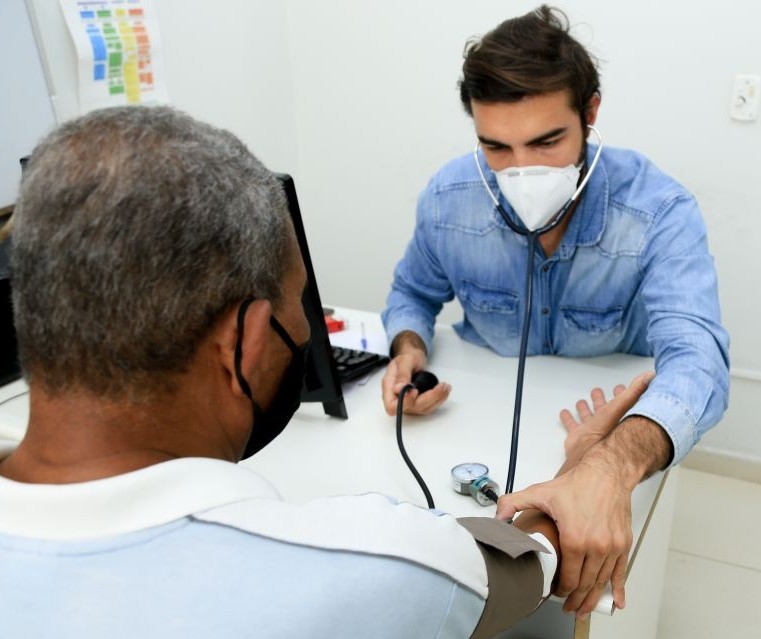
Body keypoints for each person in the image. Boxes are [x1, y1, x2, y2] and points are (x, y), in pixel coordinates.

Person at [0, 105, 651, 637]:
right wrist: (571, 481)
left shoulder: (651, 204)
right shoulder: (373, 566)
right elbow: (517, 571)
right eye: (299, 310)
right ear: (246, 342)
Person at [381, 4, 729, 619]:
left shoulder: (660, 211)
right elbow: (412, 293)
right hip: (472, 419)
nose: (522, 169)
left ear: (590, 114)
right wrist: (409, 348)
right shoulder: (446, 197)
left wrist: (611, 465)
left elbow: (699, 359)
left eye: (547, 141)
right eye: (496, 146)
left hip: (603, 415)